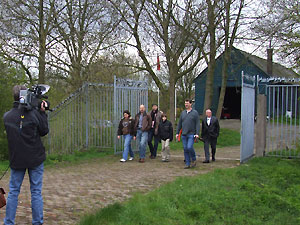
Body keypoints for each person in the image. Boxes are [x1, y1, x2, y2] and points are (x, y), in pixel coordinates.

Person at [3, 85, 49, 225]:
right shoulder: (34, 114)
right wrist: (42, 112)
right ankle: (37, 222)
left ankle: (9, 222)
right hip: (35, 159)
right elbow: (44, 130)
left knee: (13, 192)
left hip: (17, 159)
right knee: (35, 192)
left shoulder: (7, 116)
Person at [176, 99, 200, 169]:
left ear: (190, 104)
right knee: (185, 148)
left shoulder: (195, 113)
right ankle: (187, 163)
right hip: (184, 134)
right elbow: (180, 123)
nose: (186, 105)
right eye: (185, 103)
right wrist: (177, 133)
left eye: (187, 103)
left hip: (191, 134)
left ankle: (193, 158)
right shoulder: (183, 113)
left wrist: (197, 133)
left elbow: (197, 124)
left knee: (189, 147)